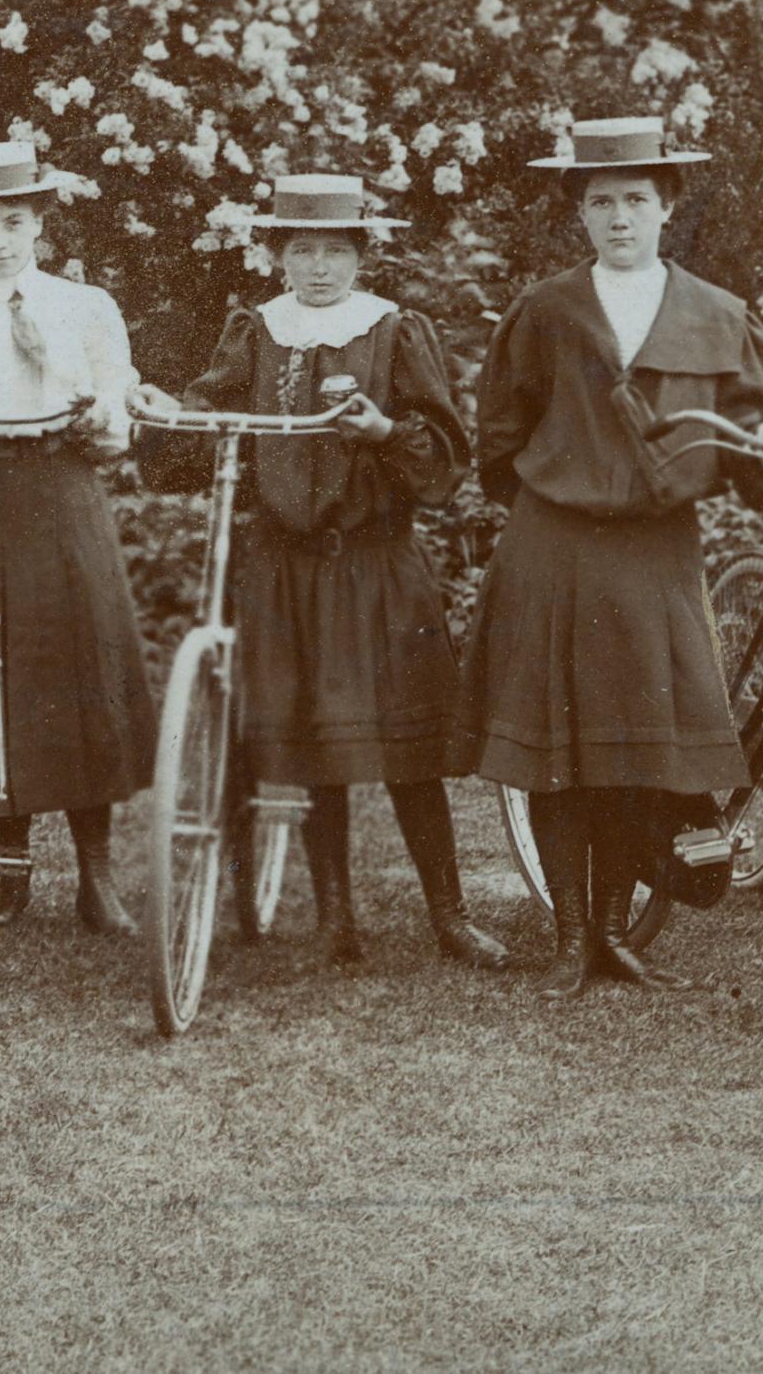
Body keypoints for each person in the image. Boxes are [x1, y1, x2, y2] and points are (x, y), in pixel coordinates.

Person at [462, 118, 763, 994]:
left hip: (658, 557)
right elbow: (498, 439)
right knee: (557, 747)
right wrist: (563, 494)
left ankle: (616, 930)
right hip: (554, 548)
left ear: (669, 207)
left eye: (637, 200)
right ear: (580, 212)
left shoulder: (719, 315)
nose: (621, 218)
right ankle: (571, 935)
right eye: (602, 201)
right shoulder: (544, 311)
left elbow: (760, 432)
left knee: (636, 750)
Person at [133, 175, 507, 969]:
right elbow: (201, 430)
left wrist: (382, 431)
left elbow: (442, 458)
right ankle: (335, 917)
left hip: (374, 565)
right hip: (281, 569)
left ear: (361, 253)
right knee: (310, 742)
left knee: (408, 747)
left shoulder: (394, 330)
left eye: (336, 250)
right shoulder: (257, 331)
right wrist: (163, 410)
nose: (319, 267)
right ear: (278, 254)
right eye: (302, 249)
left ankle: (450, 912)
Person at [0, 142, 155, 934]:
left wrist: (93, 407)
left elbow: (117, 417)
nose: (0, 239)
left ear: (40, 221)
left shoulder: (85, 306)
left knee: (82, 656)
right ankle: (7, 863)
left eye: (14, 220)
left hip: (62, 485)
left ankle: (96, 869)